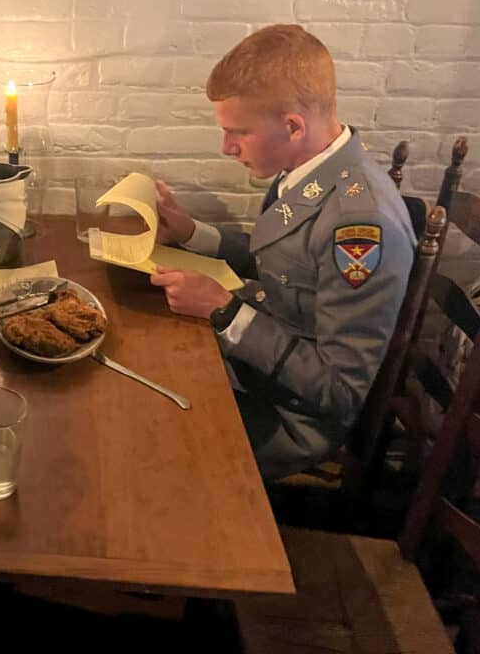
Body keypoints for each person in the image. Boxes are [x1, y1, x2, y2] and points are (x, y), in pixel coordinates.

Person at [150, 24, 415, 480]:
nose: (227, 148)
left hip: (293, 417)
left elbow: (338, 390)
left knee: (145, 438)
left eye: (239, 132)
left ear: (293, 126)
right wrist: (193, 234)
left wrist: (225, 311)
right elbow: (285, 264)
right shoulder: (312, 166)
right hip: (258, 365)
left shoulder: (360, 227)